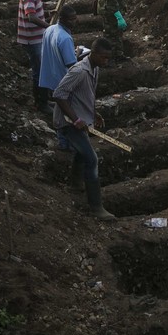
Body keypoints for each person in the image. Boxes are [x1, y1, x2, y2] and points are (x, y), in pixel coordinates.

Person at [53, 38, 116, 220]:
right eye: (103, 58)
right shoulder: (79, 71)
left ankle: (74, 184)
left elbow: (85, 95)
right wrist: (76, 119)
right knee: (92, 159)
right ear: (94, 54)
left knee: (82, 153)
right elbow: (58, 94)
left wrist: (93, 114)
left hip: (80, 119)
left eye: (108, 58)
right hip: (68, 123)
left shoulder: (94, 69)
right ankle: (96, 207)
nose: (106, 62)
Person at [39, 5, 78, 150]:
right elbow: (71, 65)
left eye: (75, 18)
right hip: (63, 80)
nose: (74, 22)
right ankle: (64, 143)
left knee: (59, 109)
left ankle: (63, 139)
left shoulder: (50, 29)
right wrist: (78, 56)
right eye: (71, 19)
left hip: (51, 77)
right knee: (66, 112)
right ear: (62, 19)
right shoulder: (65, 38)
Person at [17, 0, 50, 113]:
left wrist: (48, 14)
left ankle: (44, 100)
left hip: (35, 38)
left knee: (41, 70)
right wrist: (50, 27)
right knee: (40, 72)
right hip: (32, 40)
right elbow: (31, 17)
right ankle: (41, 104)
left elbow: (35, 13)